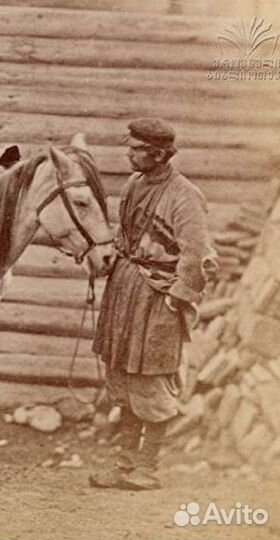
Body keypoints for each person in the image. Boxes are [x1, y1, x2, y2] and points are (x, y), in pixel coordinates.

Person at [89, 118, 216, 490]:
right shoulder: (134, 184)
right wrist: (112, 259)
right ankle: (124, 465)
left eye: (136, 149)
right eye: (129, 147)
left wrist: (177, 299)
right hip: (125, 289)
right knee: (124, 376)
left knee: (152, 376)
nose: (129, 154)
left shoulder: (185, 195)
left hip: (159, 296)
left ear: (159, 154)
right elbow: (126, 235)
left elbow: (197, 256)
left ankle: (148, 467)